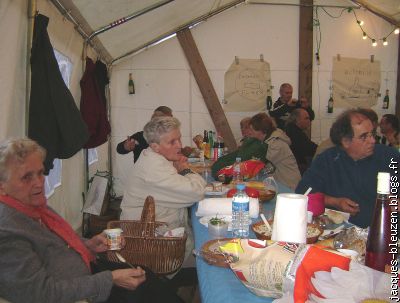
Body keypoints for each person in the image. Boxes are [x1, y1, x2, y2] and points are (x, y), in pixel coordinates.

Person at [0, 138, 182, 303]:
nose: (39, 183)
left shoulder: (32, 206)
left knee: (146, 275)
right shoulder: (7, 231)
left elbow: (58, 244)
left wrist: (89, 245)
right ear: (2, 185)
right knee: (142, 293)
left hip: (86, 270)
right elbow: (39, 294)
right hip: (79, 294)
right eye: (26, 177)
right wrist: (110, 279)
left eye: (40, 173)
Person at [120, 116, 206, 263]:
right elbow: (197, 192)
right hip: (154, 248)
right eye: (172, 142)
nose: (179, 145)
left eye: (179, 139)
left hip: (161, 235)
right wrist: (185, 170)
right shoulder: (154, 169)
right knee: (208, 256)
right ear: (155, 146)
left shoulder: (153, 156)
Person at [296, 109, 399, 228]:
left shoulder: (389, 157)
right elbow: (302, 193)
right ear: (345, 141)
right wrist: (335, 202)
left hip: (385, 233)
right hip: (340, 233)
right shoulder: (328, 160)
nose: (372, 140)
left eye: (372, 134)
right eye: (364, 136)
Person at [248, 112, 301, 190]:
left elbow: (260, 162)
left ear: (262, 131)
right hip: (280, 183)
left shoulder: (276, 144)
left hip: (289, 186)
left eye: (252, 130)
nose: (250, 133)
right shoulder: (268, 141)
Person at [285, 108, 317, 174]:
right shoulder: (294, 132)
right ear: (297, 120)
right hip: (296, 167)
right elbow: (308, 148)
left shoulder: (293, 129)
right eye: (306, 118)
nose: (309, 121)